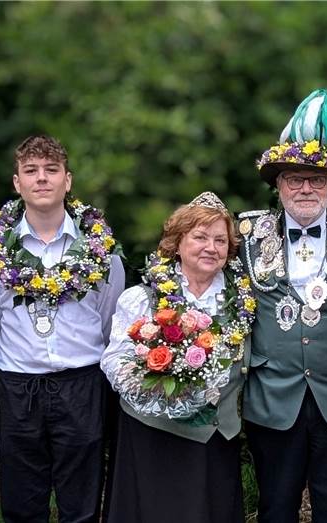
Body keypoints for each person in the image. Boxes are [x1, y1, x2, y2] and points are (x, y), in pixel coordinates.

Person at [239, 88, 327, 522]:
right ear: (278, 184)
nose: (305, 188)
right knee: (275, 507)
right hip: (272, 396)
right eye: (294, 179)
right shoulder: (245, 235)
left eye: (316, 179)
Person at [0, 135, 125, 522]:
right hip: (18, 386)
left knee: (82, 504)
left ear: (67, 180)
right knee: (22, 503)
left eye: (51, 170)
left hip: (82, 384)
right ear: (17, 183)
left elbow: (111, 319)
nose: (41, 178)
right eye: (31, 171)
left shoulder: (102, 252)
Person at [100, 191, 254, 523]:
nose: (211, 247)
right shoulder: (143, 298)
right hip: (152, 436)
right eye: (200, 237)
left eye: (220, 240)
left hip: (214, 439)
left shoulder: (243, 302)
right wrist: (153, 388)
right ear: (177, 242)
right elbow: (114, 360)